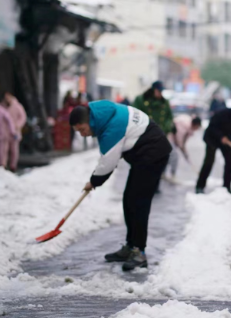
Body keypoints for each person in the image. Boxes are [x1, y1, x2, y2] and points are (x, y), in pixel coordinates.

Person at [69, 100, 171, 271]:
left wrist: (94, 181)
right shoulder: (104, 115)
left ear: (89, 121)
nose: (82, 134)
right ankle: (131, 247)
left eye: (82, 129)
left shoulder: (111, 128)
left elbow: (108, 162)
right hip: (145, 154)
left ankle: (139, 253)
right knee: (129, 200)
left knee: (138, 203)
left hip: (154, 154)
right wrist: (95, 180)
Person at [196, 105, 231, 195]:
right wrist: (221, 137)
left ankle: (227, 187)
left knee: (229, 162)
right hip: (212, 138)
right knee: (209, 162)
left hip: (227, 140)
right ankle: (200, 186)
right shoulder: (223, 114)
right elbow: (212, 127)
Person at [2, 92, 27, 172]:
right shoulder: (2, 106)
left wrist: (17, 125)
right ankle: (3, 165)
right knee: (4, 149)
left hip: (15, 131)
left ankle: (13, 165)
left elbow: (23, 117)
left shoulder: (17, 106)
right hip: (5, 131)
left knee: (14, 150)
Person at [0, 95, 17, 167]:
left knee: (0, 153)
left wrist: (13, 132)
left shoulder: (2, 111)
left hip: (0, 136)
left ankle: (1, 167)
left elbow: (10, 122)